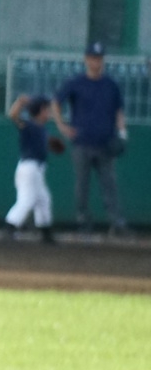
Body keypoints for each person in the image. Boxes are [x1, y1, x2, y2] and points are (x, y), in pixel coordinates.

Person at [54, 41, 130, 236]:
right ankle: (83, 221)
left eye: (99, 58)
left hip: (106, 143)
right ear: (87, 59)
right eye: (93, 58)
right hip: (82, 143)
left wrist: (122, 133)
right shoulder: (76, 83)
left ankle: (117, 223)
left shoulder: (110, 84)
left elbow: (118, 111)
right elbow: (56, 102)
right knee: (82, 187)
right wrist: (62, 125)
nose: (96, 62)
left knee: (110, 186)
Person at [4, 93, 58, 243]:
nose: (50, 112)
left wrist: (50, 145)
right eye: (47, 109)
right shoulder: (30, 125)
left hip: (37, 169)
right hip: (29, 168)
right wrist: (20, 102)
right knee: (27, 199)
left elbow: (44, 145)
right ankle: (10, 227)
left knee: (43, 199)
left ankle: (45, 232)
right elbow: (13, 116)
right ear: (41, 110)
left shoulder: (42, 129)